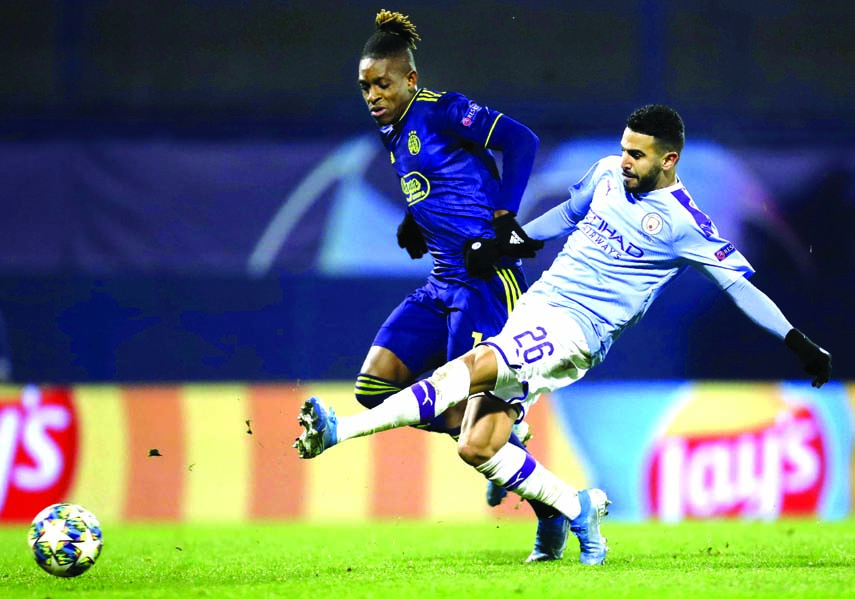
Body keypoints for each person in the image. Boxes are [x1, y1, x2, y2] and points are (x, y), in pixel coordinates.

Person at [295, 104, 833, 565]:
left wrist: (798, 342)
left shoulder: (685, 222)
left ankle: (342, 429)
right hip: (538, 308)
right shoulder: (605, 174)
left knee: (476, 365)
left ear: (669, 160)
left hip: (579, 330)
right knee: (477, 445)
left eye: (638, 155)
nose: (626, 160)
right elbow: (569, 214)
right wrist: (516, 240)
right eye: (624, 148)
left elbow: (741, 289)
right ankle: (576, 509)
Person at [346, 10, 564, 560]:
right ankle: (507, 441)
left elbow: (520, 141)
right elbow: (443, 183)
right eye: (365, 86)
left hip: (486, 285)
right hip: (441, 283)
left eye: (382, 83)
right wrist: (413, 219)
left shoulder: (443, 111)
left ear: (410, 80)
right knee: (372, 389)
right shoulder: (393, 131)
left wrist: (504, 219)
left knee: (471, 424)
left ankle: (550, 509)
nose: (373, 94)